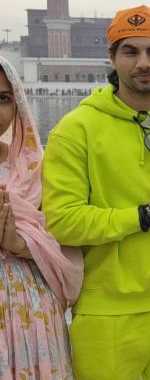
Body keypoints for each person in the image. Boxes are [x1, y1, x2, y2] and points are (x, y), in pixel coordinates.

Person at [41, 5, 150, 380]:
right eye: (130, 51)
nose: (144, 62)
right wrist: (146, 215)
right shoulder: (76, 130)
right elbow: (62, 221)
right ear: (112, 57)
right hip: (106, 311)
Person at [0, 56, 83, 379]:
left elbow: (64, 237)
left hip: (32, 314)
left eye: (4, 99)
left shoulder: (35, 167)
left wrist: (21, 243)